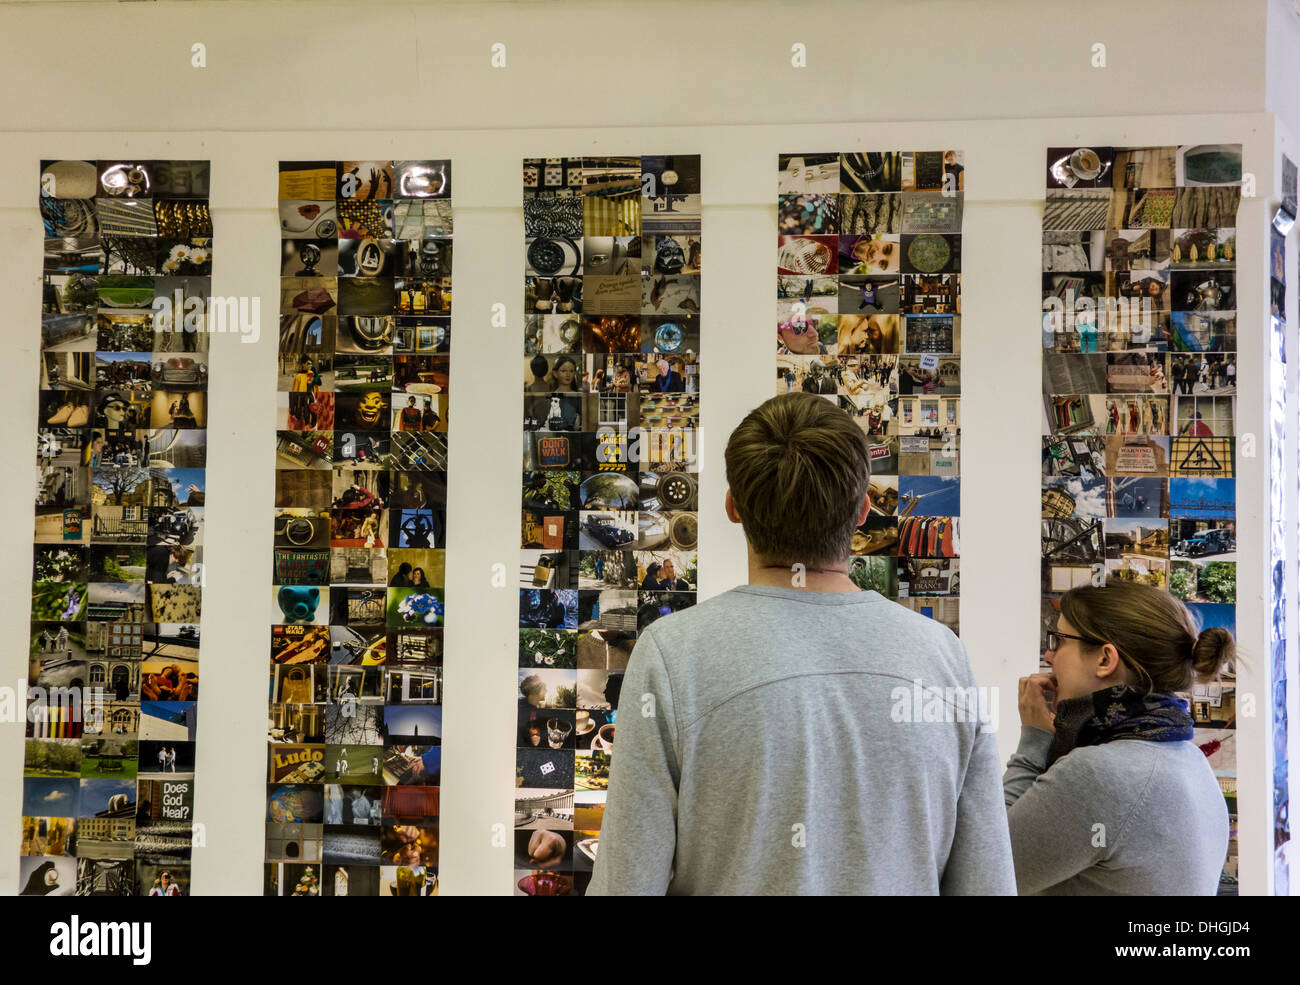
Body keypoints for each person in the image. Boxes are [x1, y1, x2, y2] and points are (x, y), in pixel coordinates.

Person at [588, 392, 1015, 895]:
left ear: (731, 507)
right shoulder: (943, 657)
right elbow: (986, 883)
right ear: (861, 512)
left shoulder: (672, 656)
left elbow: (627, 884)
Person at [1007, 583, 1232, 894]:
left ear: (1104, 660)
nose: (1049, 656)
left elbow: (987, 868)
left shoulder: (1098, 774)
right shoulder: (1190, 761)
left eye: (1059, 641)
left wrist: (1033, 741)